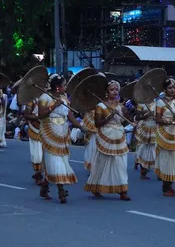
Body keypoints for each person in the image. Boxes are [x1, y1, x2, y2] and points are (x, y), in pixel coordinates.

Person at [38, 75, 83, 204]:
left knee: (60, 160)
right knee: (54, 161)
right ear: (58, 87)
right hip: (49, 131)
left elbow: (70, 117)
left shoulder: (64, 99)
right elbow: (40, 115)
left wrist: (81, 127)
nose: (66, 87)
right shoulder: (44, 98)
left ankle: (45, 186)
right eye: (64, 85)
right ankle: (61, 191)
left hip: (62, 132)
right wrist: (54, 106)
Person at [84, 79, 131, 201]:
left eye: (116, 89)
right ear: (106, 92)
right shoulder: (101, 106)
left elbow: (125, 121)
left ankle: (122, 190)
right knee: (102, 162)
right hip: (105, 135)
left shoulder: (120, 106)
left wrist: (125, 112)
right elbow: (97, 123)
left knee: (121, 163)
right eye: (112, 89)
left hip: (119, 135)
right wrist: (110, 115)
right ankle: (96, 187)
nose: (115, 91)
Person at [155, 78, 175, 196]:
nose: (172, 90)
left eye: (174, 87)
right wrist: (172, 122)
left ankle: (170, 183)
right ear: (165, 89)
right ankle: (166, 185)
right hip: (164, 133)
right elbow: (157, 119)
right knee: (166, 158)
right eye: (170, 88)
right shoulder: (160, 102)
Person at [135, 101, 156, 180]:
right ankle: (143, 172)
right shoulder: (141, 104)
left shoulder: (158, 102)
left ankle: (159, 172)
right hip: (145, 127)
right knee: (144, 149)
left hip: (155, 127)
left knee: (156, 149)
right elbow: (137, 117)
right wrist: (146, 115)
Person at [24, 98, 43, 184]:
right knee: (38, 154)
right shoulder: (31, 101)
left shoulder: (49, 99)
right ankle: (38, 174)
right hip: (35, 129)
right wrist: (37, 117)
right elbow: (26, 115)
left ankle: (44, 175)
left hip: (47, 129)